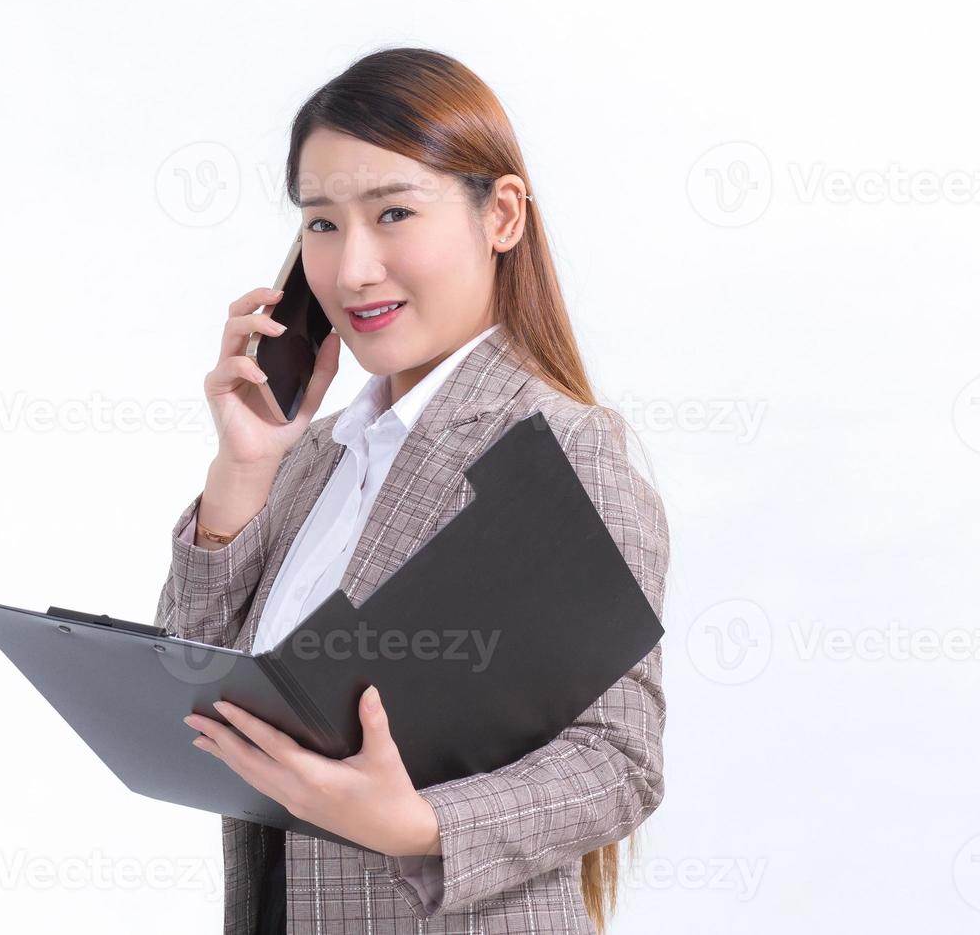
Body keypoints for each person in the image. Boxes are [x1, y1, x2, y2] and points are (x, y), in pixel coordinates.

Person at [155, 46, 670, 935]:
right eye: (321, 224)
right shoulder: (312, 457)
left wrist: (417, 825)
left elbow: (620, 760)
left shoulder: (565, 450)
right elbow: (189, 687)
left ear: (501, 214)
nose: (352, 269)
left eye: (394, 212)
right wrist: (242, 467)